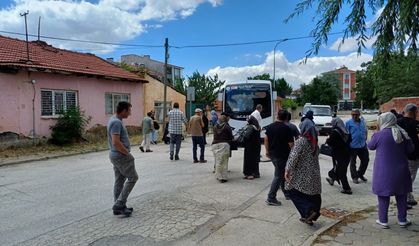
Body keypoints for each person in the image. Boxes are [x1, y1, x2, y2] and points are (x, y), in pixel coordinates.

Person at [368, 112, 414, 228]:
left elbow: (370, 146)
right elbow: (411, 149)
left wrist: (375, 133)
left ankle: (383, 220)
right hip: (401, 171)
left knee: (383, 196)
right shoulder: (402, 133)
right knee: (402, 195)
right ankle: (402, 220)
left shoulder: (379, 135)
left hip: (383, 172)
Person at [284, 118, 322, 226]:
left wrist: (287, 170)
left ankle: (308, 212)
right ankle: (310, 216)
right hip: (314, 174)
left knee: (291, 190)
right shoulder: (315, 141)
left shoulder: (301, 141)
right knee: (313, 195)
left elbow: (293, 157)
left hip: (302, 174)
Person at [107, 101, 138, 216]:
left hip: (115, 155)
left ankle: (118, 206)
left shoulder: (114, 119)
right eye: (129, 111)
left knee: (120, 180)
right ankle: (119, 204)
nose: (130, 114)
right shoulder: (116, 123)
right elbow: (116, 142)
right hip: (120, 155)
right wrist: (127, 154)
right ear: (124, 110)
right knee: (133, 178)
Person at [265, 109, 295, 206]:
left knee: (281, 173)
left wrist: (267, 151)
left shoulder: (270, 127)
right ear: (286, 118)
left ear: (277, 116)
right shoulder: (286, 129)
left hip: (273, 154)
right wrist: (293, 155)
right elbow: (291, 144)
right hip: (282, 156)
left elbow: (266, 139)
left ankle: (286, 193)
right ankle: (271, 197)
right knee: (278, 176)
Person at [397, 103, 419, 207]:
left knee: (404, 176)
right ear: (413, 112)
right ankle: (403, 199)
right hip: (413, 155)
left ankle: (409, 197)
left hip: (399, 155)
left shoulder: (397, 123)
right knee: (410, 177)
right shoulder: (417, 124)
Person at [326, 117, 352, 194]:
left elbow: (330, 142)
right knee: (339, 167)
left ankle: (347, 189)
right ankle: (332, 178)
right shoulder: (346, 130)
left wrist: (328, 139)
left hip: (340, 154)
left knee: (341, 171)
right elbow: (350, 140)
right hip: (347, 153)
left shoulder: (335, 132)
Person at [346, 109, 369, 184]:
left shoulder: (363, 122)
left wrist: (365, 138)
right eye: (353, 114)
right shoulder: (348, 123)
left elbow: (365, 131)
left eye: (356, 114)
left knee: (366, 160)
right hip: (352, 146)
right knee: (353, 162)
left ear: (359, 115)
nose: (355, 116)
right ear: (351, 115)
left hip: (362, 145)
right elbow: (346, 134)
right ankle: (355, 177)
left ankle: (360, 174)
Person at [212, 112, 234, 183]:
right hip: (224, 144)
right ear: (226, 120)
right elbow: (231, 137)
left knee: (218, 160)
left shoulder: (215, 126)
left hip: (215, 145)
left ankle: (218, 176)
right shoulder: (227, 127)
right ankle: (223, 177)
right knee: (224, 161)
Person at [243, 115, 261, 179]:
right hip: (256, 146)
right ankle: (255, 173)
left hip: (250, 147)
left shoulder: (250, 127)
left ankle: (249, 173)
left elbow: (246, 137)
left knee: (249, 160)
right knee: (255, 160)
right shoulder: (257, 126)